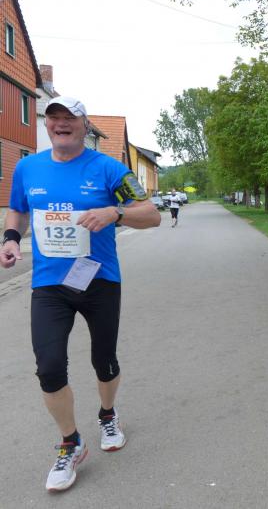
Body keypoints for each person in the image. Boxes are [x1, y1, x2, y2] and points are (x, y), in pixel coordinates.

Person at [0, 96, 161, 492]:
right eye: (53, 117)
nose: (61, 123)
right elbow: (18, 209)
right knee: (49, 366)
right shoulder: (27, 167)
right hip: (49, 285)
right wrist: (10, 238)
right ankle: (71, 443)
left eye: (69, 118)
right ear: (47, 125)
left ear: (85, 126)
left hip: (99, 280)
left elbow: (152, 214)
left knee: (104, 360)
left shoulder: (110, 168)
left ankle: (107, 414)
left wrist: (116, 213)